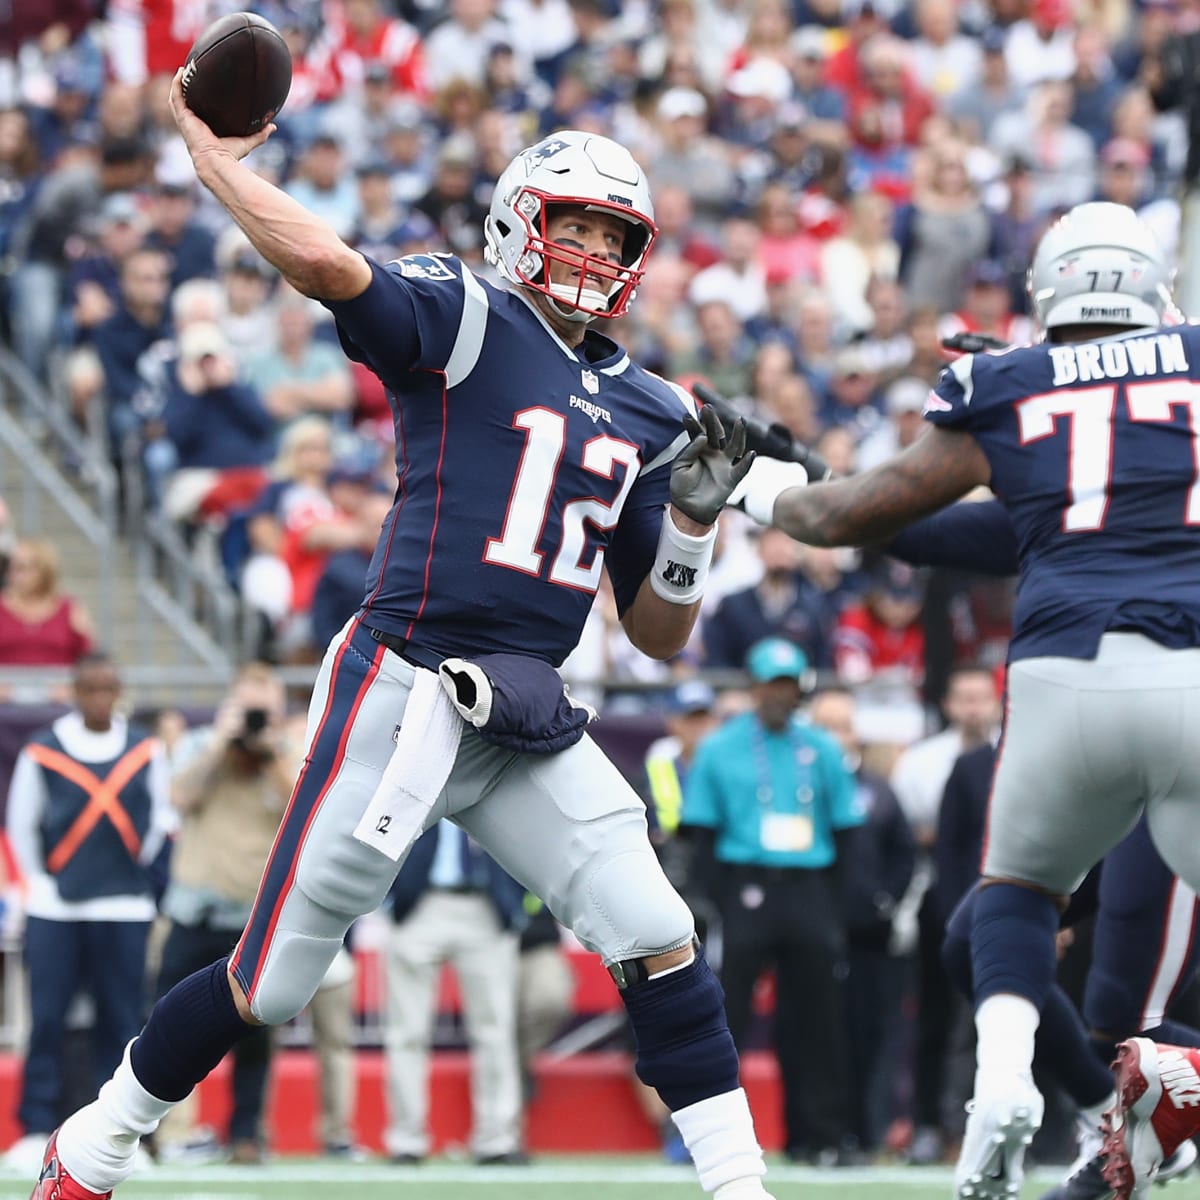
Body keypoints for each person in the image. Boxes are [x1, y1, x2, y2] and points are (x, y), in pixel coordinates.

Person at [31, 83, 774, 1200]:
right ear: (523, 220)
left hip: (528, 703)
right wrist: (217, 164)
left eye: (613, 233)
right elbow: (330, 267)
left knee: (659, 930)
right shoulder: (468, 315)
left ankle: (739, 1189)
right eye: (572, 222)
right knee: (271, 982)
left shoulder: (658, 410)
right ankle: (95, 1142)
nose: (590, 248)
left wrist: (696, 526)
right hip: (403, 684)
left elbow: (662, 635)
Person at [725, 200, 1200, 1199]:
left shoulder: (1007, 387)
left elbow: (873, 515)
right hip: (1191, 675)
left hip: (1065, 674)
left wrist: (758, 487)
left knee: (1015, 905)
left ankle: (1026, 1088)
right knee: (1076, 990)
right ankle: (1133, 1109)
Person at [681, 638, 865, 1166]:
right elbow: (701, 831)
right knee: (727, 1014)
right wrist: (709, 900)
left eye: (788, 685)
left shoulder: (822, 747)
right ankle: (716, 1138)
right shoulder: (721, 746)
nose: (779, 694)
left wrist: (839, 904)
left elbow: (848, 829)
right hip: (746, 885)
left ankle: (820, 1135)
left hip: (808, 886)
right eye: (771, 684)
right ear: (754, 686)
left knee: (818, 1018)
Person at [4, 654, 172, 1166]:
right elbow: (23, 823)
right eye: (90, 689)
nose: (100, 699)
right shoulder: (44, 751)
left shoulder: (145, 749)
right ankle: (36, 1124)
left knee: (121, 1020)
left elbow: (155, 824)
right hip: (57, 908)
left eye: (108, 689)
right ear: (75, 692)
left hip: (123, 906)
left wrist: (126, 877)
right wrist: (43, 886)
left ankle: (120, 1135)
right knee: (48, 1017)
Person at [152, 663, 302, 1164]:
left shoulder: (291, 754)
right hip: (194, 910)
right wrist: (222, 741)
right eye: (248, 709)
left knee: (256, 1036)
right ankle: (174, 1134)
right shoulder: (202, 745)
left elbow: (303, 807)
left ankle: (245, 1134)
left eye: (264, 710)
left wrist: (272, 748)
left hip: (254, 920)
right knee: (172, 1026)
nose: (256, 720)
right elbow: (179, 796)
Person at [808, 685, 916, 1155]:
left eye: (842, 726)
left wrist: (884, 901)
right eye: (824, 727)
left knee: (874, 1032)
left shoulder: (877, 790)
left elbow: (903, 852)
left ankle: (870, 1133)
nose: (835, 737)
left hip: (869, 936)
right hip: (813, 933)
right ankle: (821, 1133)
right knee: (819, 1034)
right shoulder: (797, 790)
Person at [382, 819, 527, 1164]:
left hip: (486, 905)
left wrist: (515, 902)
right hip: (418, 905)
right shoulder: (413, 769)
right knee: (407, 1031)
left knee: (494, 1029)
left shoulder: (495, 766)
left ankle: (496, 1140)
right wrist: (390, 897)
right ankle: (406, 1140)